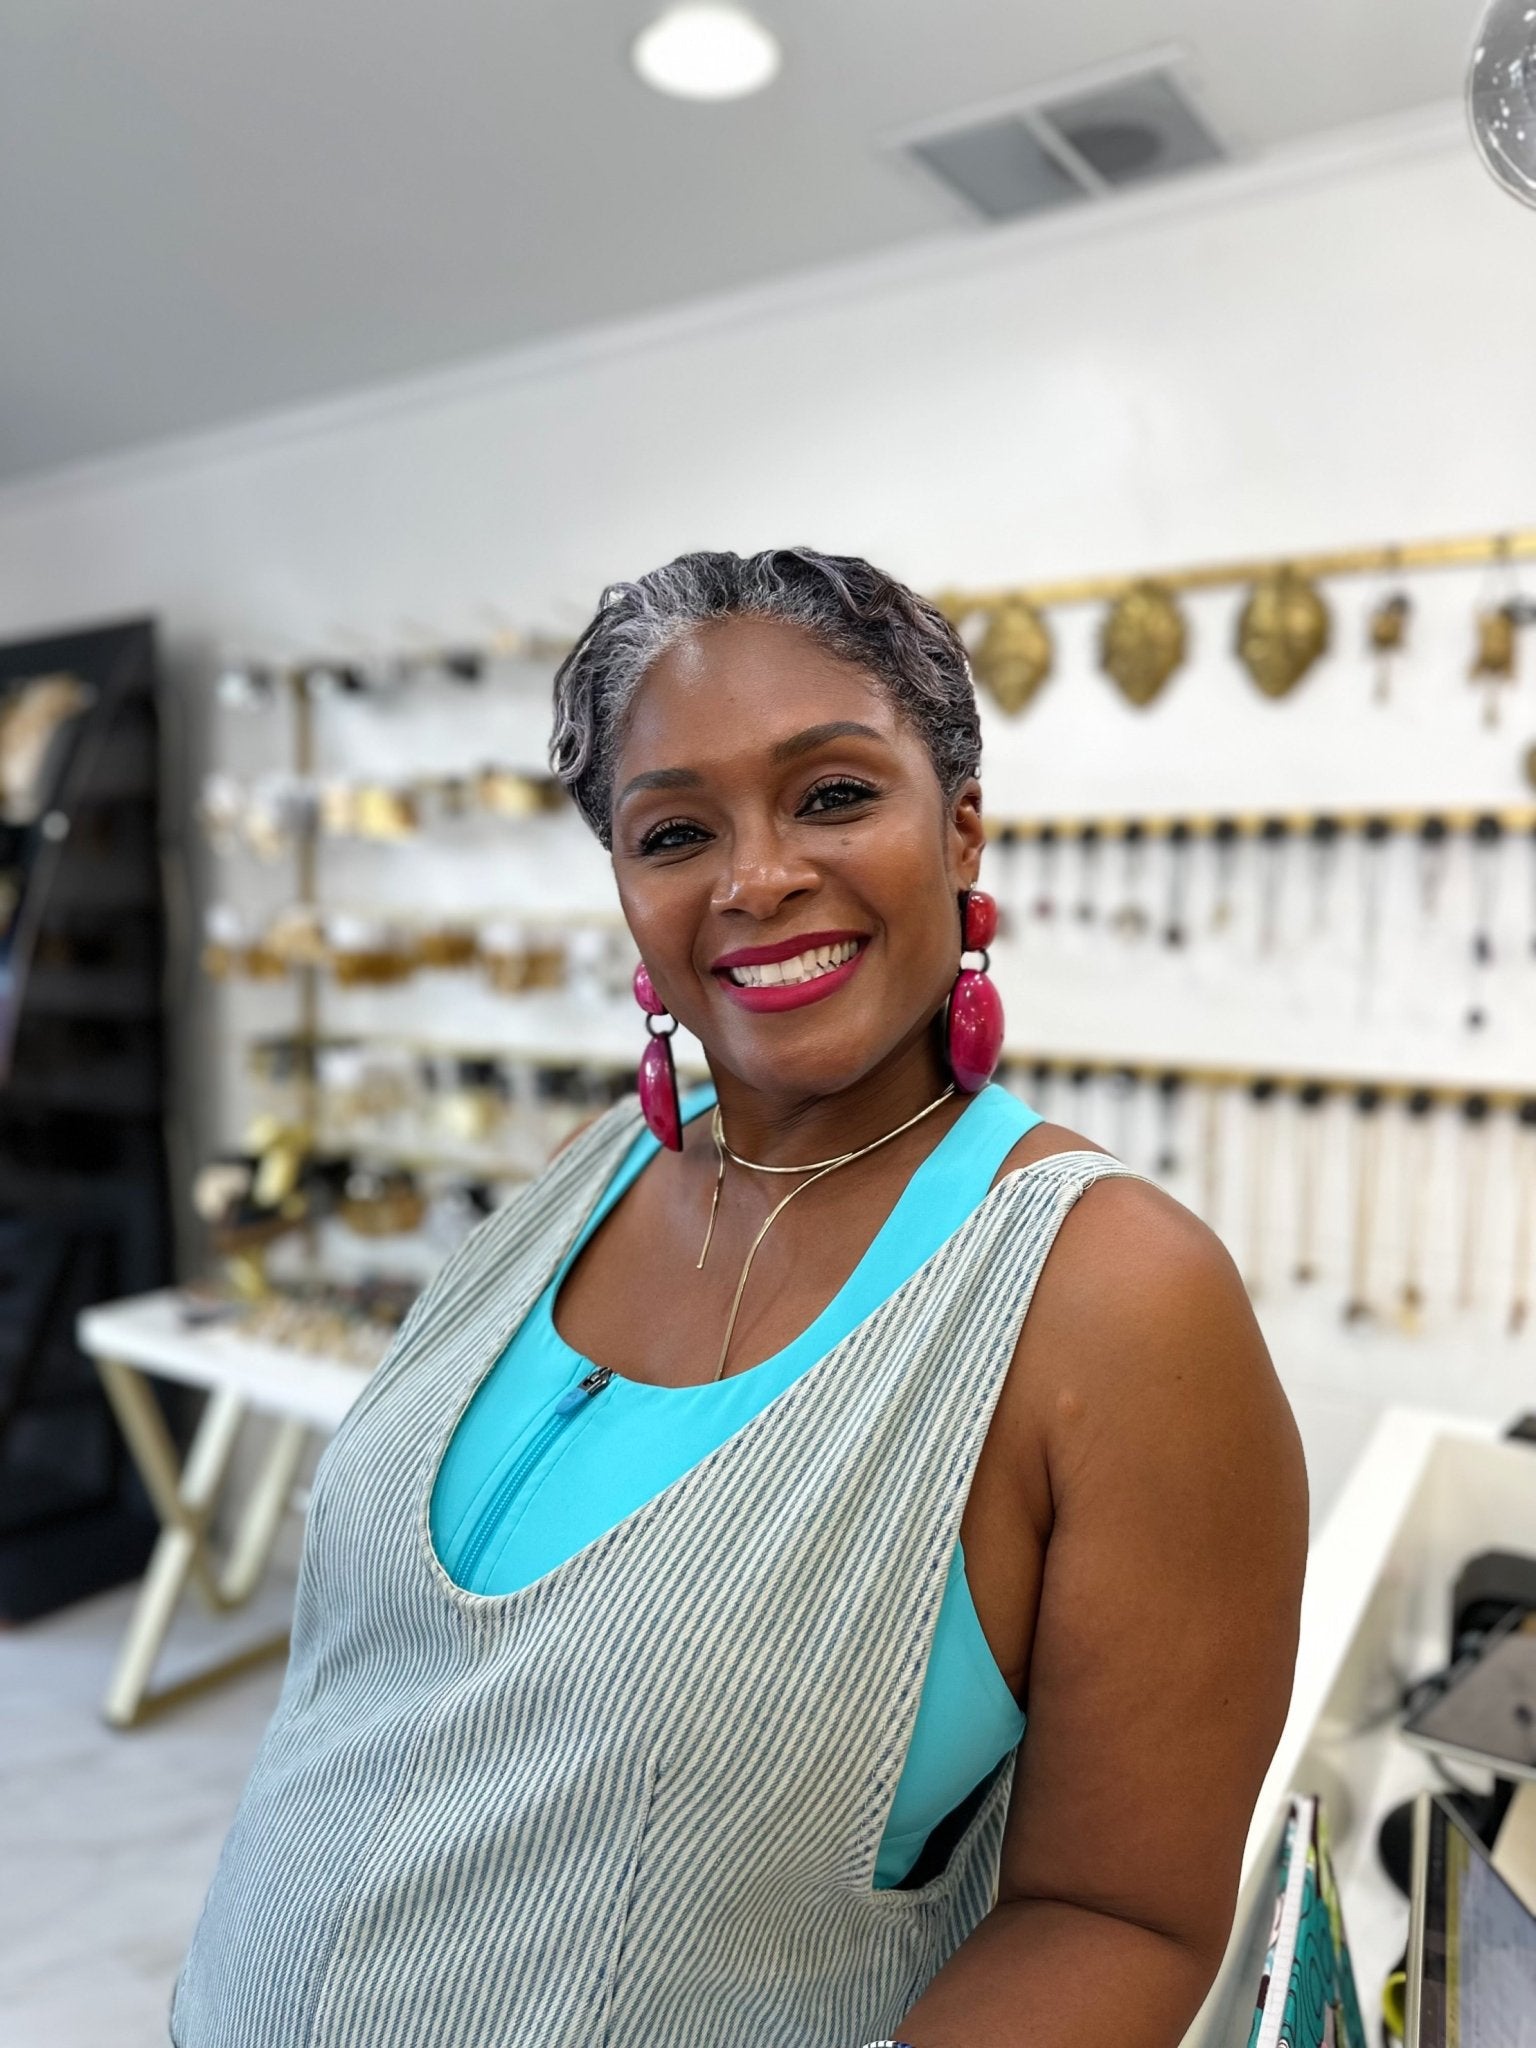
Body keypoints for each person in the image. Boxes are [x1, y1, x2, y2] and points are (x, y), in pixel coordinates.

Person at [168, 548, 1308, 2048]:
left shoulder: (1109, 1296)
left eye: (832, 795)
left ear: (961, 829)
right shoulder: (587, 1181)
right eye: (675, 832)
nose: (756, 878)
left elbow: (1118, 1918)